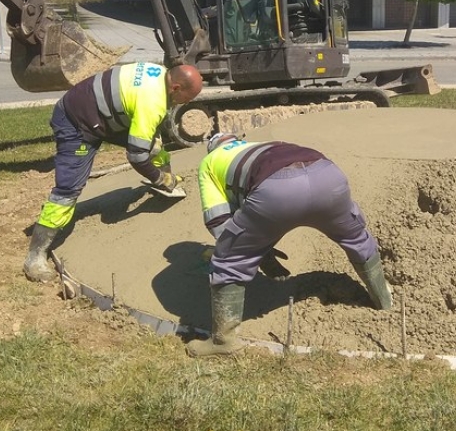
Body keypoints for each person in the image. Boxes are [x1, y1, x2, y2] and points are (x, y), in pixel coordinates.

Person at [186, 131, 392, 358]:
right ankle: (383, 300)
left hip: (276, 192)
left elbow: (218, 220)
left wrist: (247, 247)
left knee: (228, 259)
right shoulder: (262, 146)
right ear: (238, 141)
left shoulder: (209, 162)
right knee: (356, 238)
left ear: (213, 148)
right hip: (327, 175)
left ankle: (223, 341)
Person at [23, 61, 204, 283]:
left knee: (154, 145)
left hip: (102, 115)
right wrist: (157, 178)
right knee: (68, 190)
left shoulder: (157, 72)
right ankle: (35, 257)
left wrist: (164, 173)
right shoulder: (152, 102)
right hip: (76, 122)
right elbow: (136, 156)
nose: (188, 102)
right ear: (175, 88)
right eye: (187, 98)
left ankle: (168, 181)